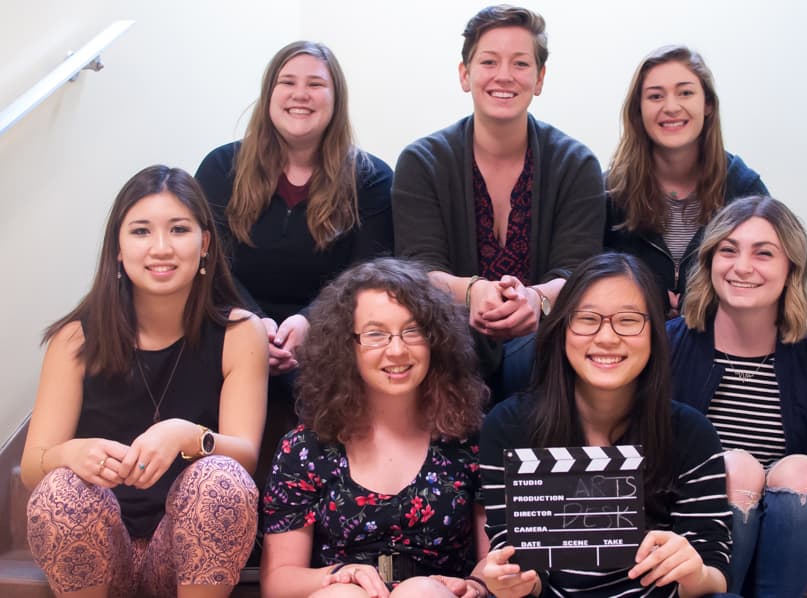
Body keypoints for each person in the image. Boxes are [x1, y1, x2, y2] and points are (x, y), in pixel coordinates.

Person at [20, 165, 269, 597]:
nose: (161, 248)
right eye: (140, 232)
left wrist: (189, 436)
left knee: (223, 478)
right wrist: (70, 452)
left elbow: (245, 456)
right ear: (117, 247)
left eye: (178, 229)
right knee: (60, 486)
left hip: (184, 548)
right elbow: (32, 465)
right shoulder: (76, 337)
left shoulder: (240, 332)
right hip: (100, 544)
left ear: (204, 243)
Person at [479, 253, 732, 597]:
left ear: (655, 333)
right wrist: (511, 582)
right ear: (562, 329)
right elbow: (518, 562)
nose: (608, 337)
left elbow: (716, 571)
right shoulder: (509, 427)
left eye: (628, 320)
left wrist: (695, 571)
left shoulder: (692, 434)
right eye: (587, 319)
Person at [392, 5, 605, 401]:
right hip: (444, 346)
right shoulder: (422, 162)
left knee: (539, 353)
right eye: (489, 61)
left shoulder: (577, 165)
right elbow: (419, 270)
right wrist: (472, 292)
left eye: (520, 63)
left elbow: (578, 273)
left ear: (539, 79)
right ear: (465, 74)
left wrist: (535, 299)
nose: (504, 75)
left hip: (547, 350)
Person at [668, 195, 807, 596]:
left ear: (791, 267)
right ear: (709, 262)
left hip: (788, 539)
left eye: (764, 254)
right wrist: (739, 490)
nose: (742, 267)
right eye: (728, 250)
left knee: (801, 472)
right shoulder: (668, 346)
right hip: (692, 543)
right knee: (736, 468)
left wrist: (772, 506)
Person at [260, 258, 490, 597]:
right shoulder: (305, 448)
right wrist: (342, 574)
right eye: (375, 334)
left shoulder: (470, 437)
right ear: (344, 346)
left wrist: (476, 586)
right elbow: (278, 582)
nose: (397, 350)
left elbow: (496, 560)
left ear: (436, 340)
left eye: (413, 331)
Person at [195, 40, 393, 407]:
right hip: (231, 325)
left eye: (316, 85)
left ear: (336, 99)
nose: (300, 94)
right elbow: (209, 263)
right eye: (287, 82)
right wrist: (253, 324)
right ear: (269, 94)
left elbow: (367, 274)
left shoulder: (371, 178)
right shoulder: (220, 168)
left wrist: (309, 322)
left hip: (332, 335)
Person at [605, 45, 768, 318]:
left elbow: (770, 277)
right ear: (638, 111)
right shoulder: (610, 192)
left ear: (708, 105)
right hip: (630, 343)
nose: (671, 107)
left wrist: (702, 309)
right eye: (655, 96)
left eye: (685, 93)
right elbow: (587, 284)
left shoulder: (744, 189)